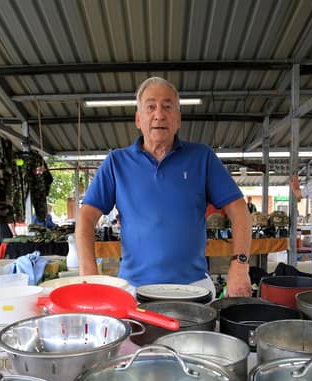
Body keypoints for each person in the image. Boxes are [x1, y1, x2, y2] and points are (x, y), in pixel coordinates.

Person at [76, 77, 252, 297]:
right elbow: (86, 217)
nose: (159, 114)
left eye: (168, 107)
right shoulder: (116, 162)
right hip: (133, 288)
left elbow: (239, 211)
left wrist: (240, 264)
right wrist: (89, 273)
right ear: (138, 119)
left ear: (178, 119)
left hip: (194, 287)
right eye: (150, 107)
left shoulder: (202, 157)